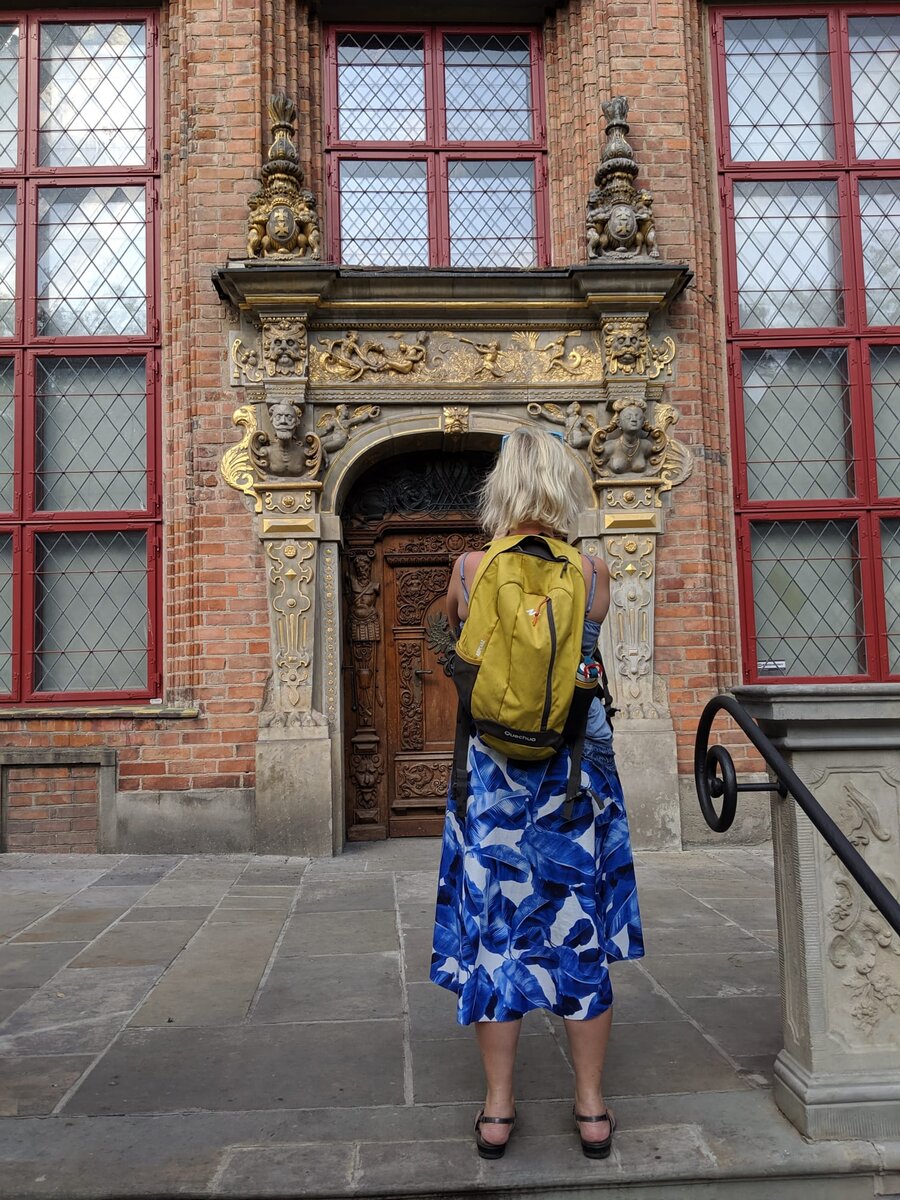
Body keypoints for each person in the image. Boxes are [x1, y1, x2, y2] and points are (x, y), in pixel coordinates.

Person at [430, 426, 644, 1160]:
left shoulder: (466, 569)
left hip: (492, 777)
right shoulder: (592, 572)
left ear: (502, 489)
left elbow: (457, 655)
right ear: (560, 487)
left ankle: (498, 1107)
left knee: (498, 934)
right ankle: (589, 1107)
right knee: (577, 927)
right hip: (574, 776)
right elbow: (582, 671)